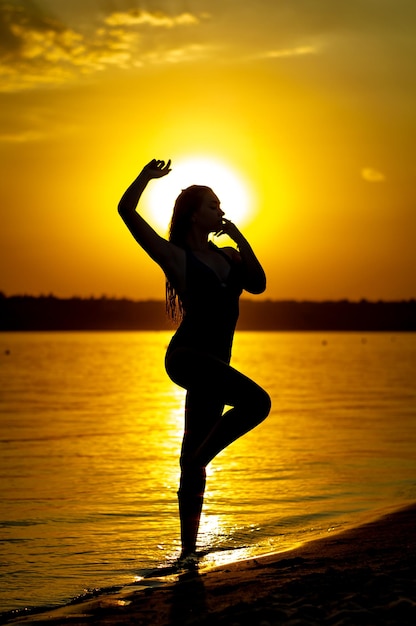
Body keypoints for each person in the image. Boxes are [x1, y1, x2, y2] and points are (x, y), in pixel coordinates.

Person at [118, 159, 271, 560]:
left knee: (191, 458)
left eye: (222, 207)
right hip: (187, 357)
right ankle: (201, 458)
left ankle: (187, 554)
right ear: (193, 214)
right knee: (258, 403)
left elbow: (258, 284)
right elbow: (126, 213)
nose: (220, 212)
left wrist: (240, 237)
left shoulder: (228, 256)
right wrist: (144, 178)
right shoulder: (177, 258)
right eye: (212, 206)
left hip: (215, 365)